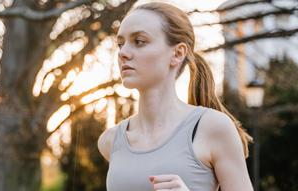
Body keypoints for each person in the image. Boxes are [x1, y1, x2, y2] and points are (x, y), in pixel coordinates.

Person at [98, 2, 254, 191]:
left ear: (178, 53)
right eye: (120, 44)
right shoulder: (110, 141)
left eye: (139, 41)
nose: (123, 53)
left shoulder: (213, 128)